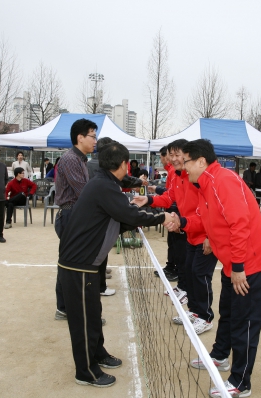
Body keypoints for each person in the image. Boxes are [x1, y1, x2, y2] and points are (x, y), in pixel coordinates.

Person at [58, 141, 176, 388]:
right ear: (123, 164)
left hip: (87, 263)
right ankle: (86, 372)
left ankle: (98, 353)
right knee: (83, 322)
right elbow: (129, 215)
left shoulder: (106, 183)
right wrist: (163, 216)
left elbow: (122, 219)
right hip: (78, 264)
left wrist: (142, 212)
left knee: (93, 314)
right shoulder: (103, 186)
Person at [174, 139, 261, 398]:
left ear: (200, 161)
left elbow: (239, 224)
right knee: (228, 313)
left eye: (185, 162)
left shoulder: (222, 180)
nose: (183, 168)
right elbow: (205, 220)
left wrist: (239, 267)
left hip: (249, 265)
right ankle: (220, 356)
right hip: (233, 264)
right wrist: (181, 221)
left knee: (245, 323)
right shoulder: (206, 185)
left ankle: (242, 382)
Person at [133, 139, 218, 335]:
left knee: (199, 275)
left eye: (178, 154)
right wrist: (149, 199)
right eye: (171, 154)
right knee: (188, 272)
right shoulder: (176, 174)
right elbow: (170, 197)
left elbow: (209, 210)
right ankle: (195, 312)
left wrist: (208, 236)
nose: (173, 158)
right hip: (190, 233)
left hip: (203, 234)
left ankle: (205, 317)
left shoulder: (198, 178)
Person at [87, 136, 147, 297]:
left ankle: (99, 277)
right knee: (100, 245)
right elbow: (124, 180)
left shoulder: (92, 165)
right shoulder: (101, 169)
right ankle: (100, 285)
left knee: (99, 247)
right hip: (101, 212)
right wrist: (139, 182)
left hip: (96, 212)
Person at [54, 118, 97, 321]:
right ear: (80, 138)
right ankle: (65, 308)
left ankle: (66, 307)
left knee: (71, 262)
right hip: (70, 215)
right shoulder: (71, 159)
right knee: (70, 264)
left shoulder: (80, 159)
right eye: (92, 136)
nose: (95, 140)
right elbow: (83, 192)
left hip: (76, 215)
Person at [147, 146, 183, 282]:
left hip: (176, 212)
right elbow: (169, 193)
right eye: (170, 155)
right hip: (172, 210)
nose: (170, 158)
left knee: (177, 243)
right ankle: (171, 267)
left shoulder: (175, 171)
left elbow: (171, 196)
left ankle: (176, 270)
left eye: (174, 155)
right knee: (172, 242)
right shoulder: (172, 171)